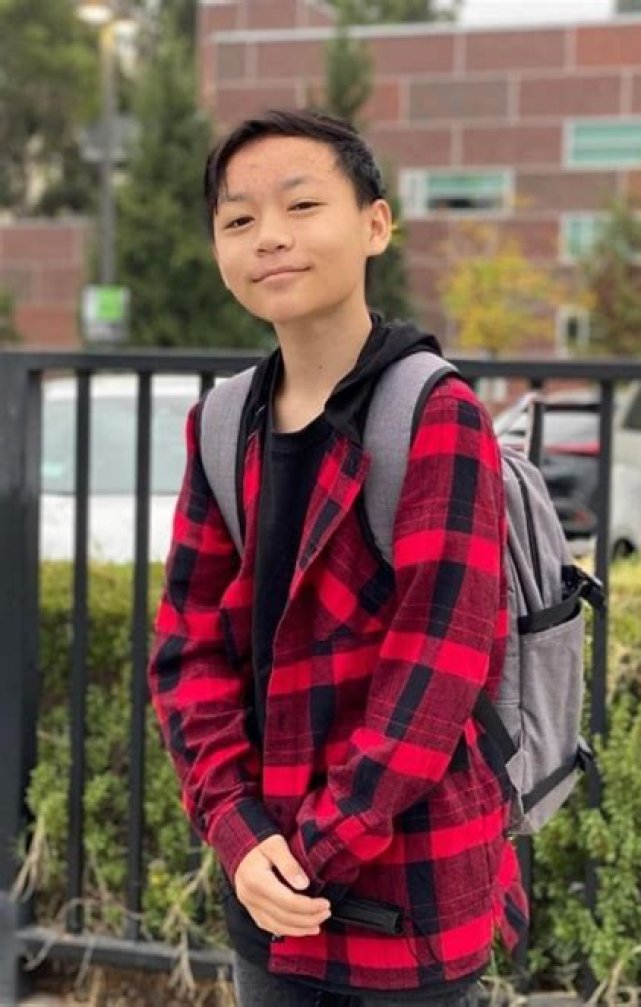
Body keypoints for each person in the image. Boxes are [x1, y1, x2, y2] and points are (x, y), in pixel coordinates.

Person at [148, 109, 527, 1007]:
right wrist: (240, 833)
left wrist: (305, 853)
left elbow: (436, 673)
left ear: (375, 224)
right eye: (239, 219)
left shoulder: (434, 413)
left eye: (302, 205)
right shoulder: (222, 423)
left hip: (410, 900)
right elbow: (188, 652)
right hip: (269, 901)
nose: (269, 236)